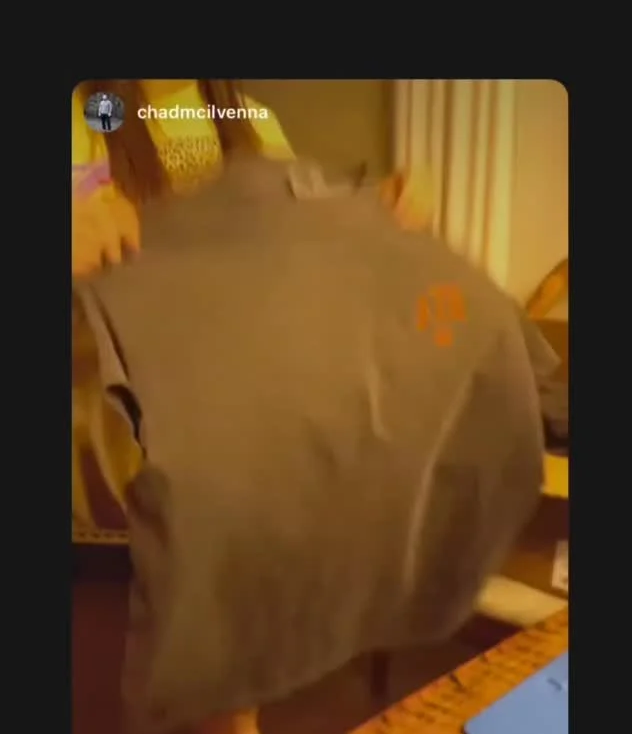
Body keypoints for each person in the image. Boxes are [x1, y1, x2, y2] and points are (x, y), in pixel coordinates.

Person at [74, 151, 560, 734]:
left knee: (391, 404)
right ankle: (231, 719)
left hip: (252, 333)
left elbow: (290, 217)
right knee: (235, 462)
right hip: (148, 349)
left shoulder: (239, 117)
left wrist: (375, 204)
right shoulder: (93, 122)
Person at [72, 80, 435, 541]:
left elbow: (297, 275)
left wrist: (377, 219)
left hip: (244, 481)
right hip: (119, 500)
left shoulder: (252, 123)